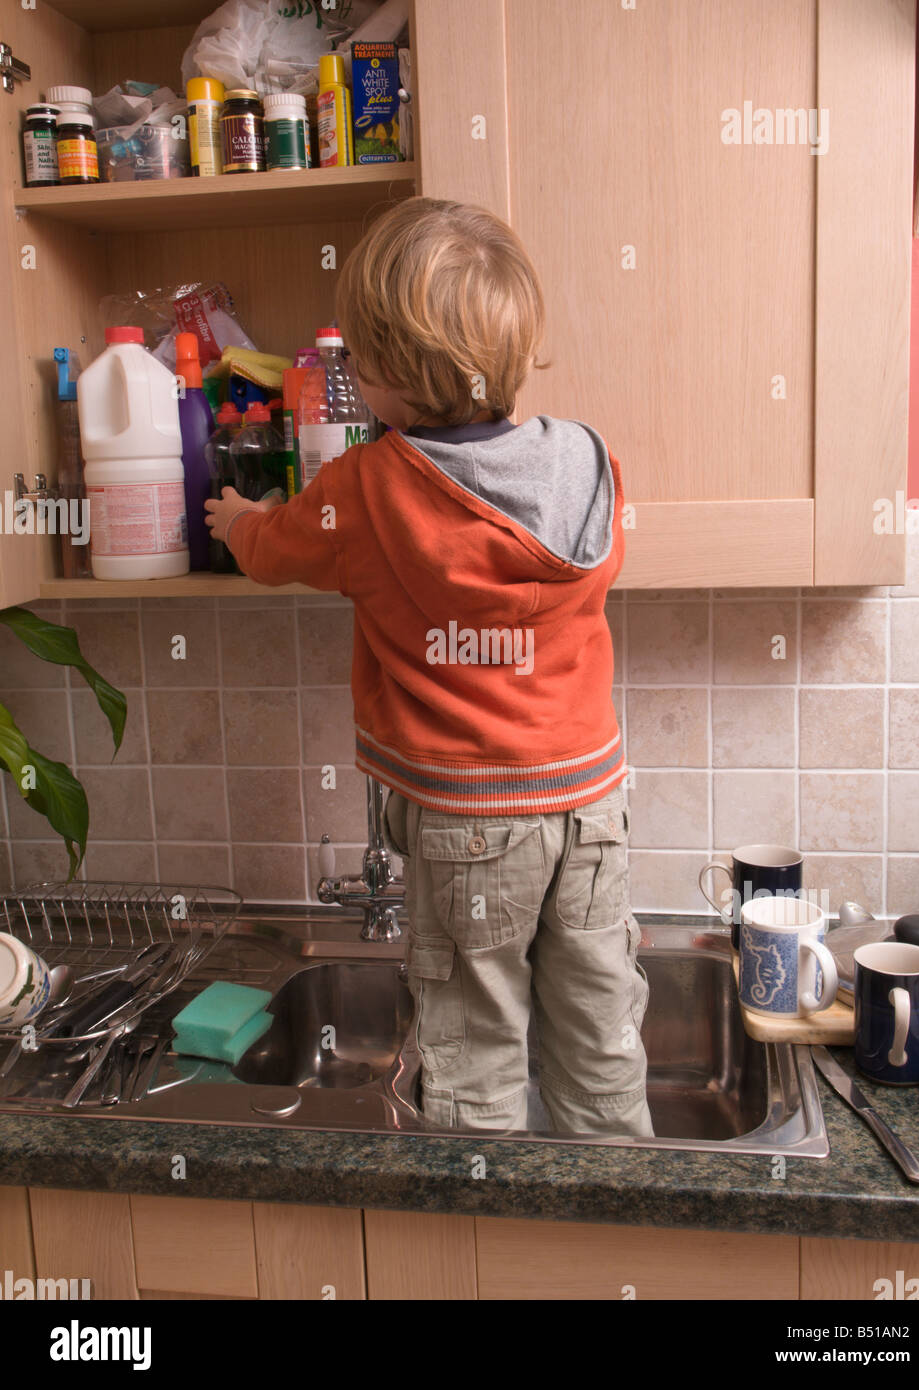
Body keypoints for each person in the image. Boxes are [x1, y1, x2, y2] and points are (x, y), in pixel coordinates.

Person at [205, 196, 653, 1138]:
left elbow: (279, 548)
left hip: (468, 823)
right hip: (591, 809)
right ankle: (617, 1243)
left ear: (390, 378)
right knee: (601, 1032)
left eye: (359, 363)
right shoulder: (589, 461)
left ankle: (483, 1259)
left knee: (476, 1052)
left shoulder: (371, 489)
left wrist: (236, 520)